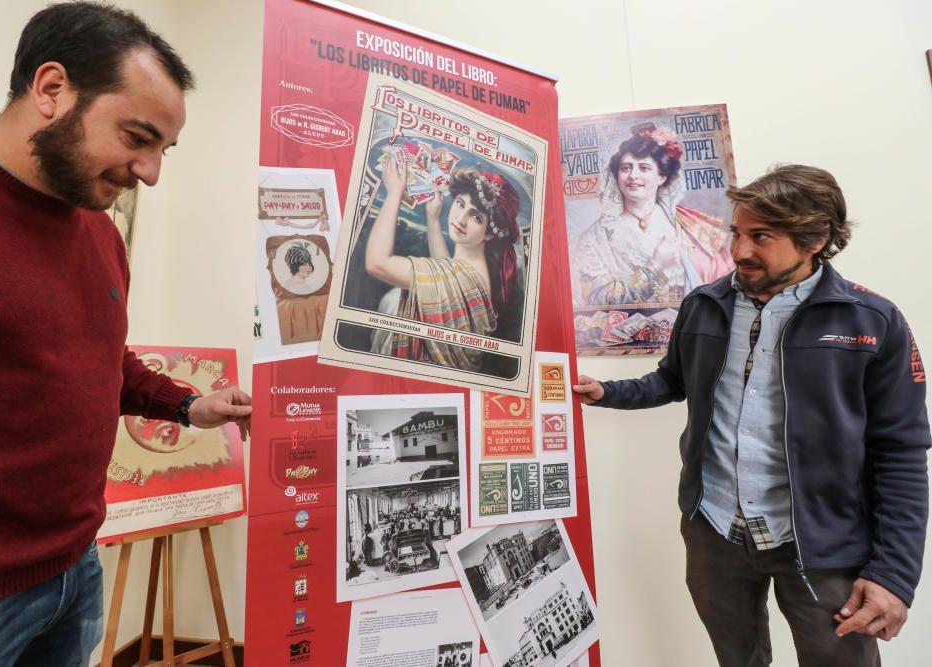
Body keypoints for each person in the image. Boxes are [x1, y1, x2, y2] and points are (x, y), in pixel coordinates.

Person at [0, 4, 252, 666]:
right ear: (52, 89)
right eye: (137, 137)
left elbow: (100, 357)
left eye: (163, 149)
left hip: (76, 571)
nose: (151, 171)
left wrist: (191, 406)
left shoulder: (101, 232)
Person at [573, 164, 930, 667]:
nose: (740, 251)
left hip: (821, 545)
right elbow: (672, 380)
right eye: (737, 233)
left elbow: (903, 453)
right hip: (714, 532)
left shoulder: (873, 322)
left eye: (761, 236)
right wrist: (606, 391)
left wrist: (894, 574)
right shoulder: (703, 305)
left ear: (817, 238)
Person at [366, 155, 522, 371]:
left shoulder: (461, 278)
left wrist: (394, 192)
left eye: (476, 217)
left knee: (394, 297)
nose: (460, 219)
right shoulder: (471, 272)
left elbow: (377, 263)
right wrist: (433, 218)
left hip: (418, 381)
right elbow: (445, 273)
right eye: (460, 204)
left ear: (489, 234)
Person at [573, 122, 733, 307]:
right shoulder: (596, 237)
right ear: (617, 176)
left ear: (661, 177)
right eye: (625, 168)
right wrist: (655, 267)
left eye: (644, 168)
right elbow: (596, 301)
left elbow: (719, 282)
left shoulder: (689, 225)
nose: (633, 175)